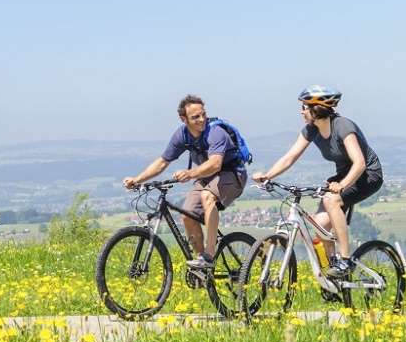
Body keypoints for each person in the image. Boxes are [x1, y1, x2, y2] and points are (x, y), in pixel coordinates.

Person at [251, 85, 383, 277]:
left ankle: (345, 260)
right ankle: (333, 270)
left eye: (305, 106)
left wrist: (342, 185)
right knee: (319, 225)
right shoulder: (311, 130)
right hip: (343, 177)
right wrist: (268, 175)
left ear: (316, 108)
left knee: (332, 200)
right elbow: (290, 157)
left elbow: (360, 163)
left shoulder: (343, 126)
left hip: (368, 175)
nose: (301, 111)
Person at [123, 94, 248, 269]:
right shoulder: (182, 135)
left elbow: (215, 164)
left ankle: (209, 254)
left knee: (207, 196)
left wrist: (190, 173)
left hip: (232, 173)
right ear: (184, 119)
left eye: (203, 114)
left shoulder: (215, 132)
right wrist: (137, 179)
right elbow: (161, 163)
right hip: (206, 175)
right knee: (188, 214)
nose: (202, 119)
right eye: (195, 117)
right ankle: (200, 265)